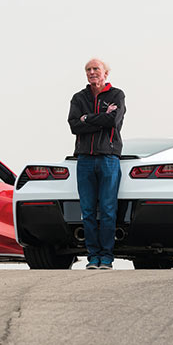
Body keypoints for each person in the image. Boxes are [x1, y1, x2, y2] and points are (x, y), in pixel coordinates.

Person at [67, 58, 126, 270]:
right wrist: (99, 117)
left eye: (96, 69)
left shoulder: (117, 95)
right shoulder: (78, 97)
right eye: (88, 70)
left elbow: (112, 122)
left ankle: (107, 258)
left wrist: (87, 119)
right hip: (84, 159)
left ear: (105, 73)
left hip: (108, 158)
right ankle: (93, 257)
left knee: (109, 210)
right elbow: (74, 126)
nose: (92, 72)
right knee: (88, 210)